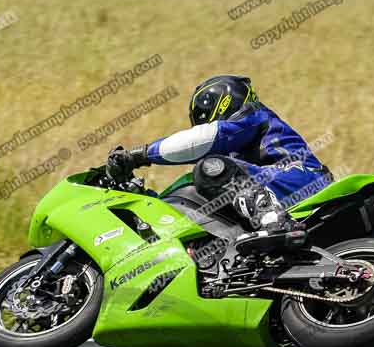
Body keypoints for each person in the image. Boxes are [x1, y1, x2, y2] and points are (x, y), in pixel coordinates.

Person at [107, 74, 333, 251]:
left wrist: (139, 155)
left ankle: (275, 221)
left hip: (302, 178)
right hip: (282, 187)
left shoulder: (254, 115)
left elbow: (207, 138)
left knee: (211, 168)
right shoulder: (237, 160)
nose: (201, 126)